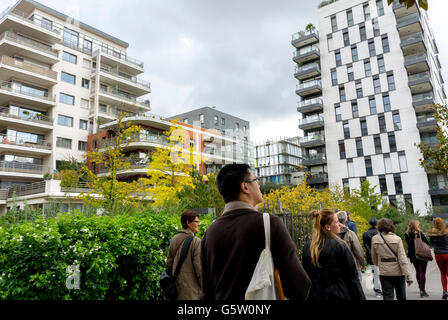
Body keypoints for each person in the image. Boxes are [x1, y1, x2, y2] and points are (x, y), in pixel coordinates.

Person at [200, 164, 311, 300]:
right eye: (255, 180)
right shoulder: (269, 223)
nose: (258, 184)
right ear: (245, 187)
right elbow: (299, 286)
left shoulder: (210, 232)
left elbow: (206, 292)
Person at [302, 208, 366, 300]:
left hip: (316, 295)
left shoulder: (308, 247)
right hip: (339, 294)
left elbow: (305, 275)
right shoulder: (340, 246)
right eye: (336, 222)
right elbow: (352, 278)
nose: (339, 224)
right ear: (328, 227)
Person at [371, 218, 413, 300]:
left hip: (384, 272)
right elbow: (402, 259)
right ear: (391, 226)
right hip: (398, 273)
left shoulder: (375, 239)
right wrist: (408, 276)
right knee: (401, 296)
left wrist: (378, 264)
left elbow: (374, 257)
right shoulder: (397, 239)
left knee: (387, 296)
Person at [166, 210, 202, 299]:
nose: (199, 224)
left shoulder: (174, 239)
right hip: (192, 292)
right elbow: (200, 269)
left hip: (177, 290)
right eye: (196, 221)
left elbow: (168, 264)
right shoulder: (196, 241)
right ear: (188, 223)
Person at [404, 220, 431, 298]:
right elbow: (427, 243)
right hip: (421, 255)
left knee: (418, 272)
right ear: (416, 226)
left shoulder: (406, 234)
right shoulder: (419, 233)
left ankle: (420, 287)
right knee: (422, 272)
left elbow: (409, 245)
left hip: (413, 256)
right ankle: (422, 291)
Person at [427, 217, 448, 300]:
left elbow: (432, 244)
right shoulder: (446, 233)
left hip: (438, 255)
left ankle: (445, 291)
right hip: (447, 254)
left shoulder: (432, 234)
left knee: (443, 273)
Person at [362, 216, 382, 298]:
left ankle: (377, 290)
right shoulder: (380, 233)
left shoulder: (366, 233)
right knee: (382, 272)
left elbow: (365, 245)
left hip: (370, 256)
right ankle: (381, 289)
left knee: (375, 273)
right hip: (380, 255)